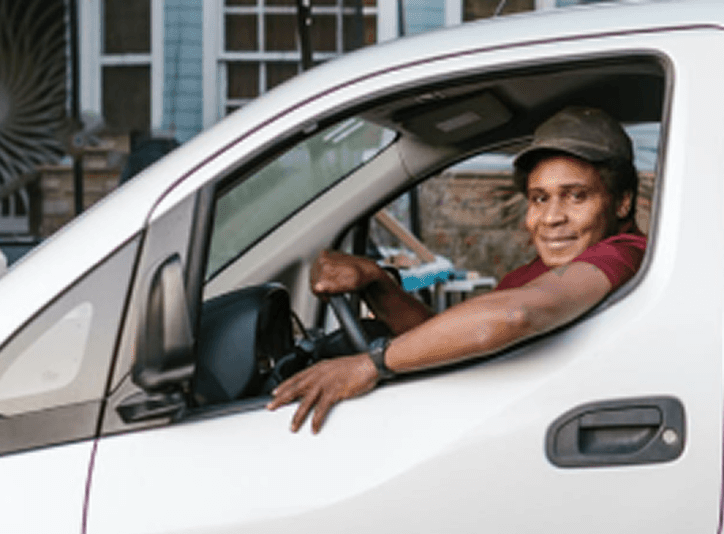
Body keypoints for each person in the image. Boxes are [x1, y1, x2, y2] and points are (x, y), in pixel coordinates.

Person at [268, 105, 647, 433]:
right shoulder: (542, 271)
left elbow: (511, 316)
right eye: (539, 198)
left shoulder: (621, 254)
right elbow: (446, 340)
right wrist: (378, 282)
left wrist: (371, 364)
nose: (551, 218)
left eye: (576, 196)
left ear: (622, 202)